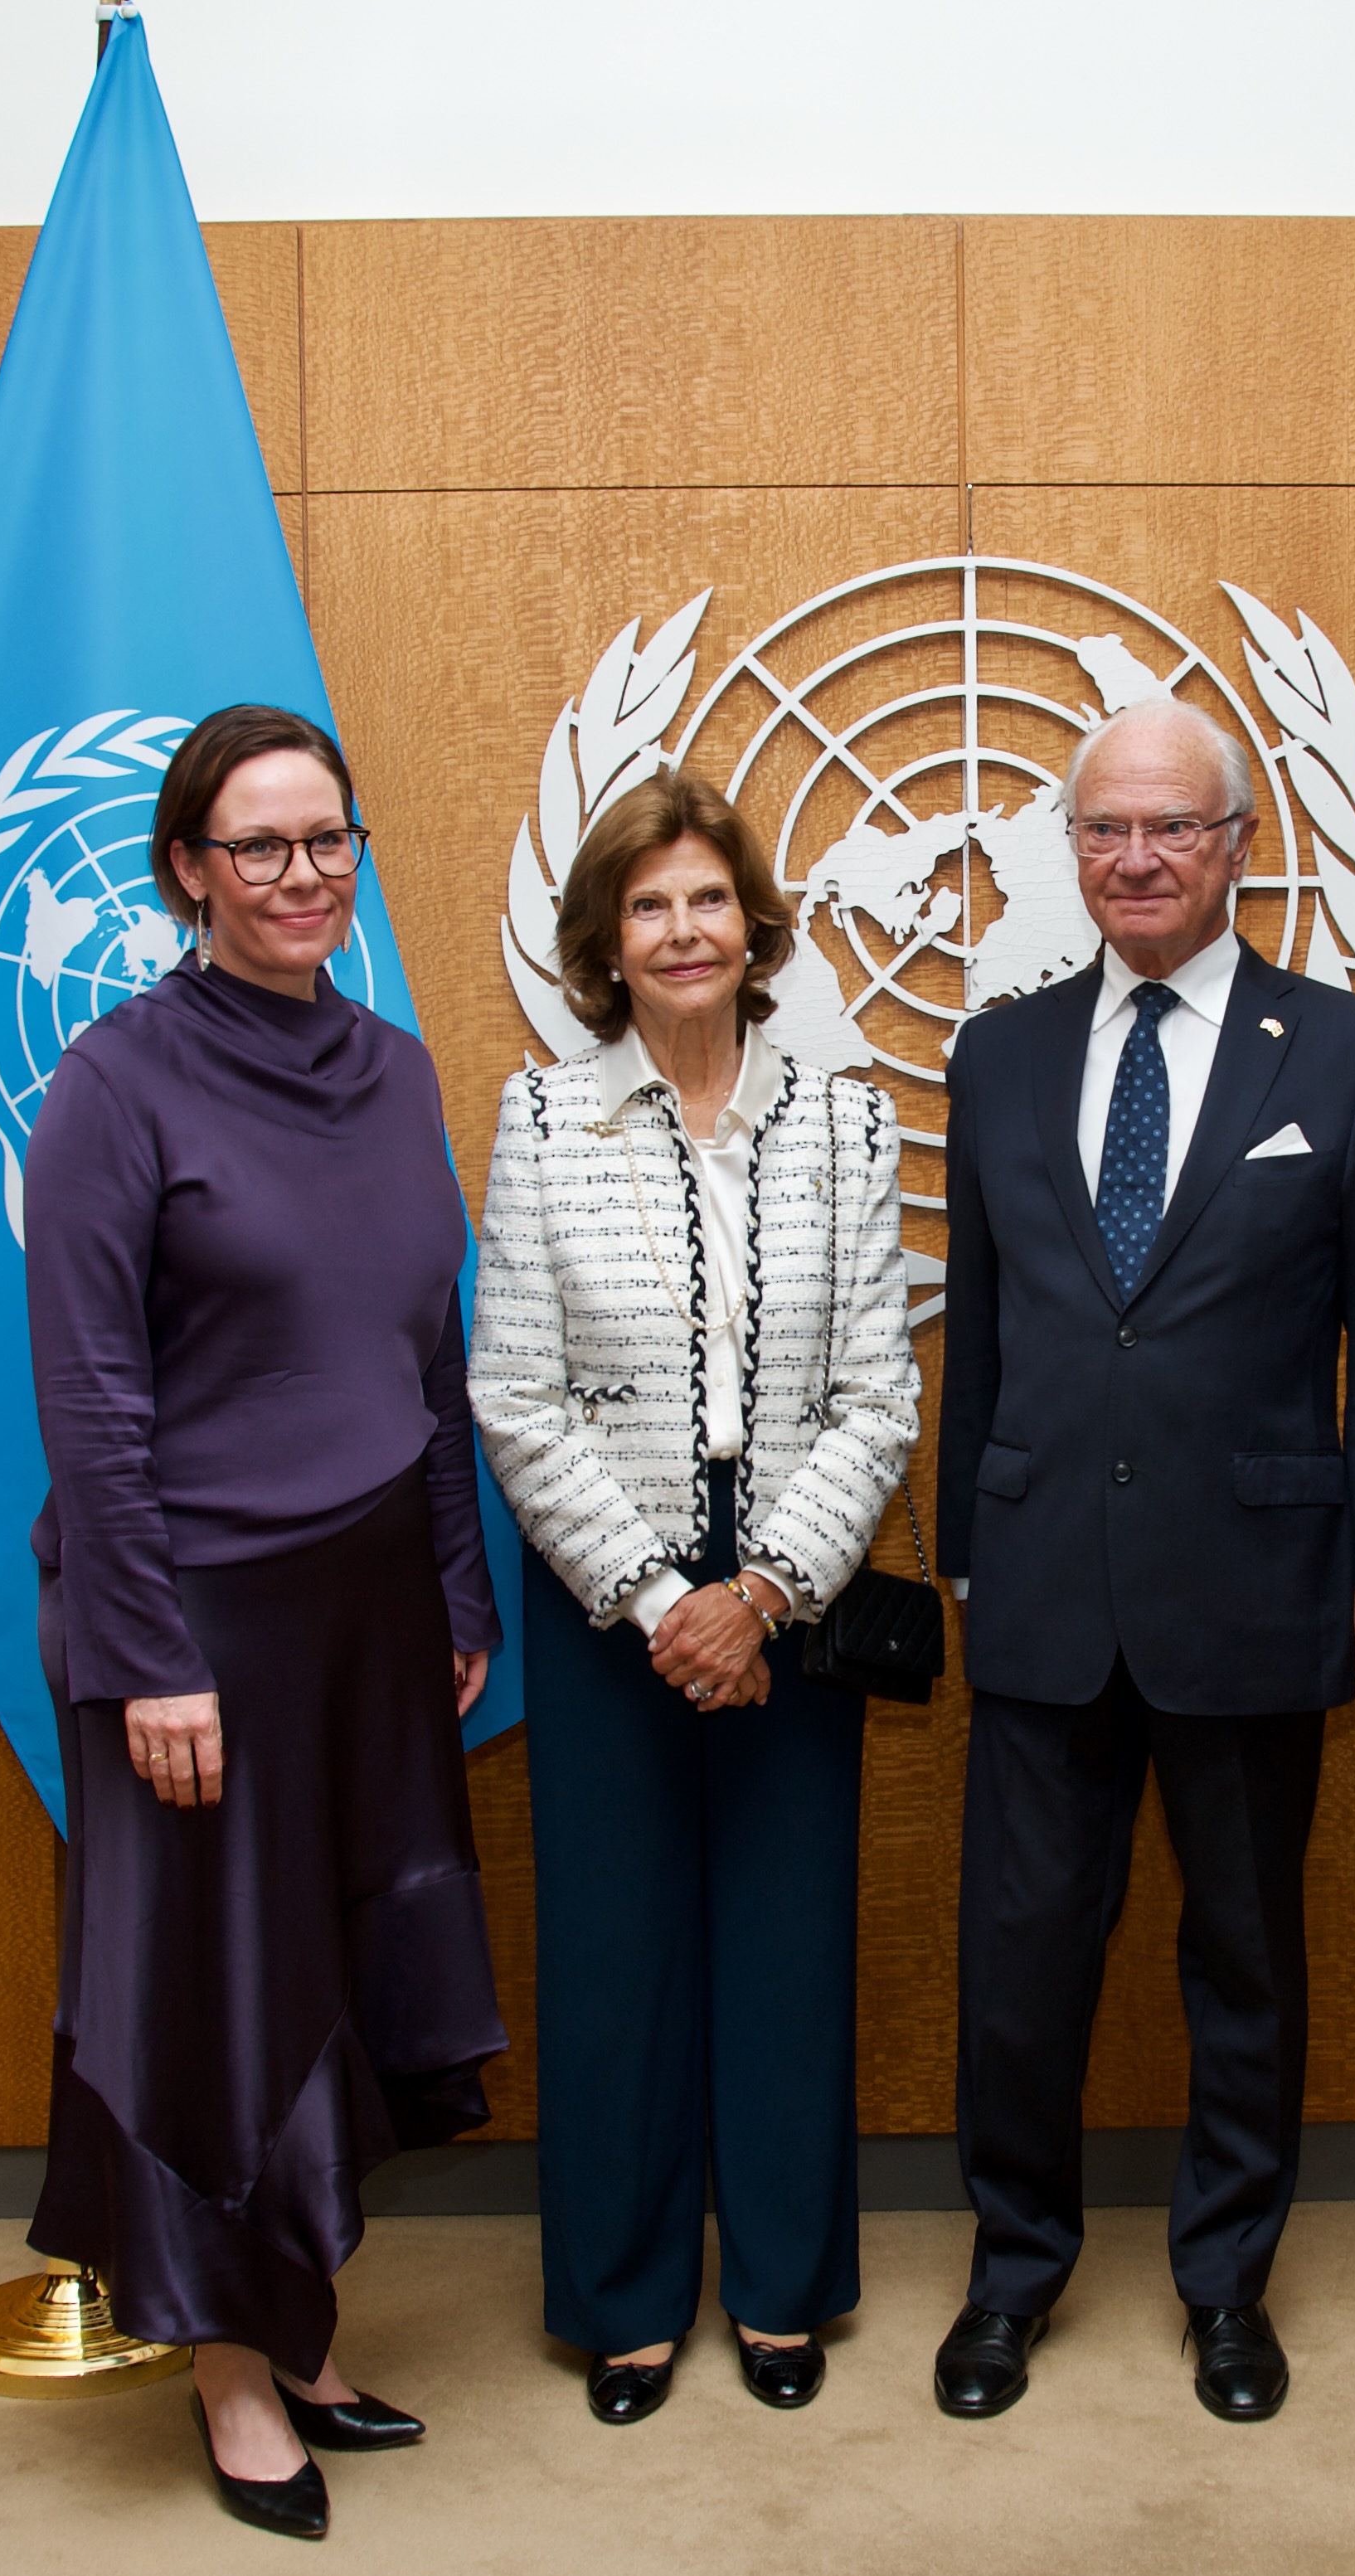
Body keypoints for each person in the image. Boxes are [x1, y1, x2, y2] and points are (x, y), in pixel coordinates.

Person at [22, 703, 506, 2540]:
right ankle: (232, 2377)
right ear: (185, 874)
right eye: (260, 847)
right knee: (211, 2003)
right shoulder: (116, 1082)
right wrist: (144, 1649)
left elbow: (425, 1352)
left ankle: (302, 2325)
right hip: (197, 1622)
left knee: (334, 1978)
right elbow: (87, 1393)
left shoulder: (391, 1068)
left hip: (375, 1603)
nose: (302, 876)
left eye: (327, 841)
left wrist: (453, 1578)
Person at [931, 696, 1355, 2424]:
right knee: (1020, 1963)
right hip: (1040, 1578)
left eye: (1171, 827)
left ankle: (1226, 2282)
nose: (1135, 857)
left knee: (1242, 1957)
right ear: (1068, 851)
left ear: (1236, 846)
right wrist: (961, 1553)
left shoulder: (1352, 1054)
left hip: (1253, 1578)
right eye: (1103, 830)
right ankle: (1011, 2273)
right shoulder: (992, 1053)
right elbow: (981, 1336)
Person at [469, 767, 919, 2426]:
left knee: (788, 1938)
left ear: (753, 925)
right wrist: (664, 1595)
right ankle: (626, 2296)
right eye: (649, 903)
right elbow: (514, 1393)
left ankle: (785, 2284)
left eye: (709, 898)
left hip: (790, 1559)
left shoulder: (846, 1112)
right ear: (605, 939)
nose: (682, 929)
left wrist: (765, 1586)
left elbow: (878, 1390)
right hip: (612, 1579)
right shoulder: (539, 1115)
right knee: (614, 1946)